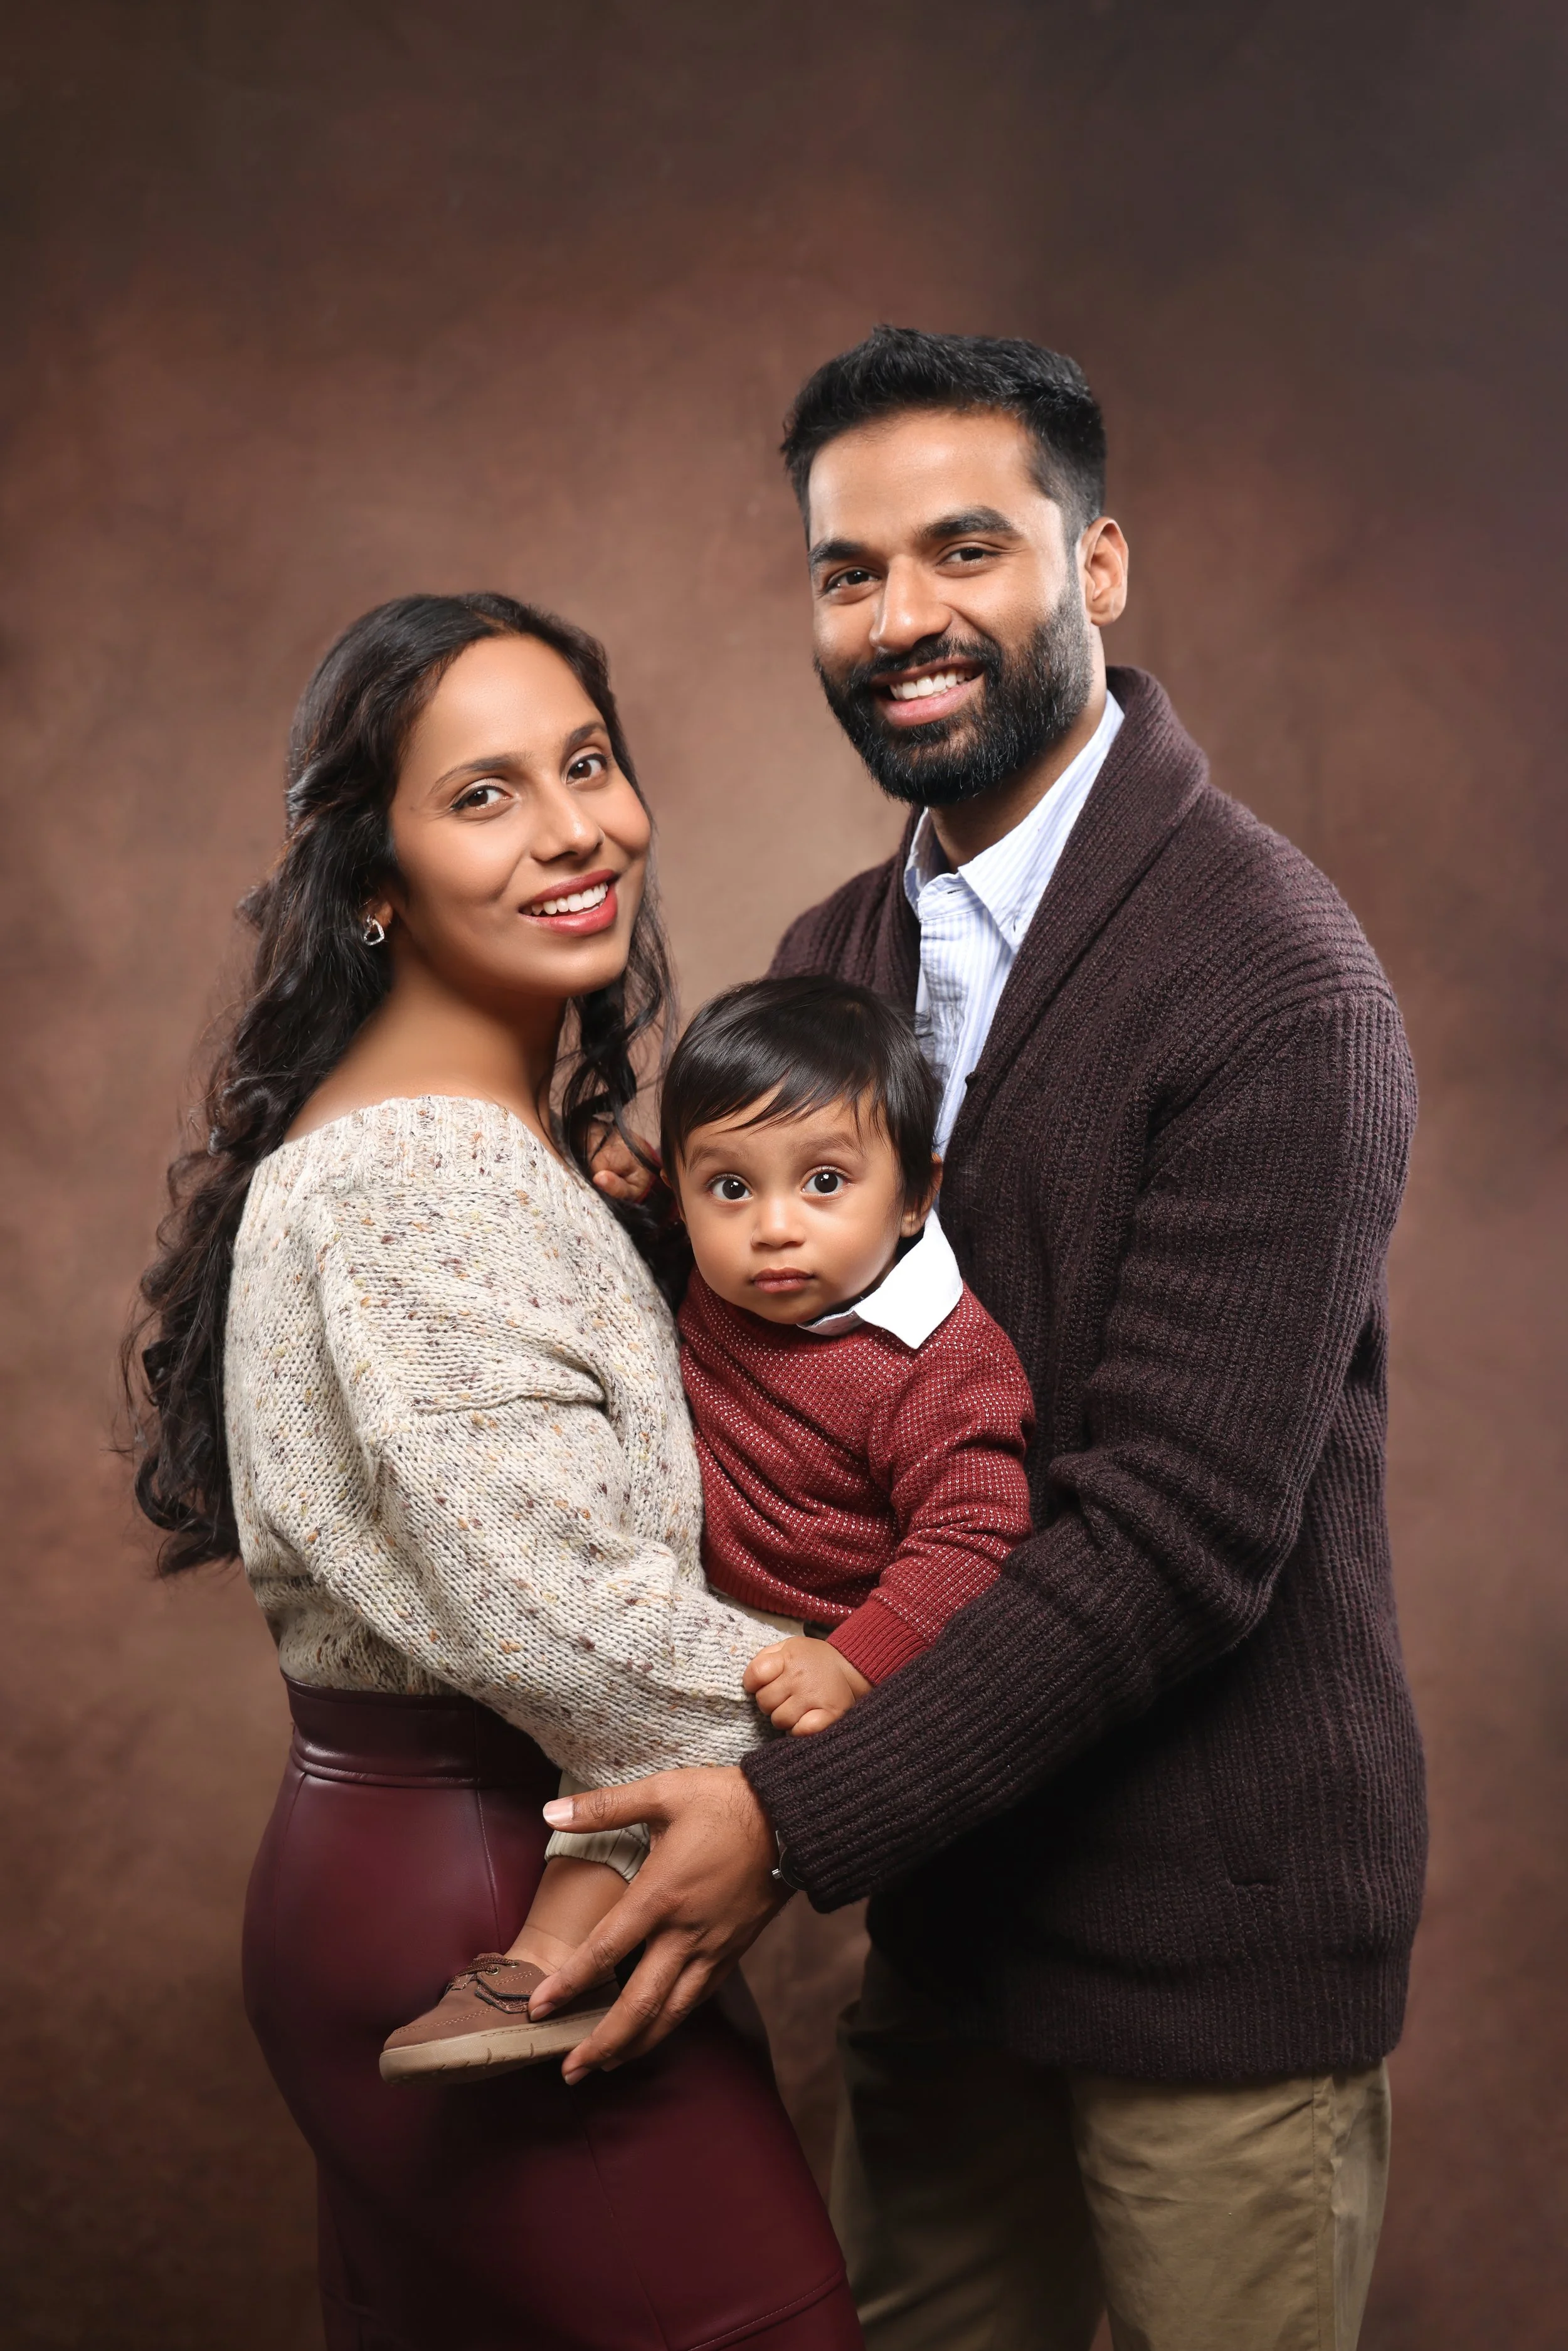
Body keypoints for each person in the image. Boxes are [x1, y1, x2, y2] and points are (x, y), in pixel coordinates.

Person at [531, 327, 1428, 2351]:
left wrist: (789, 1818)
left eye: (966, 550)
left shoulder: (1279, 984)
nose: (901, 617)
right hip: (953, 1930)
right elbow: (771, 1363)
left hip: (1220, 1962)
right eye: (850, 570)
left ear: (1098, 568)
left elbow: (1172, 1541)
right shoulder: (836, 957)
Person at [124, 592, 863, 2351]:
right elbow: (563, 1622)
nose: (572, 831)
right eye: (482, 795)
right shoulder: (422, 1178)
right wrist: (909, 1723)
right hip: (483, 1912)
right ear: (368, 886)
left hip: (428, 1874)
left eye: (587, 762)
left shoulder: (490, 1142)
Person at [380, 973, 1036, 2079]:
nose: (776, 1230)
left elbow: (975, 1538)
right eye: (729, 1188)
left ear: (917, 1194)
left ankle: (546, 1975)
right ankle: (565, 1969)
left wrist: (853, 1664)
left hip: (826, 1631)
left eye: (825, 1182)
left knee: (650, 1781)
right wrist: (632, 1198)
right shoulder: (720, 1276)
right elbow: (671, 1234)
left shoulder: (942, 1358)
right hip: (698, 1596)